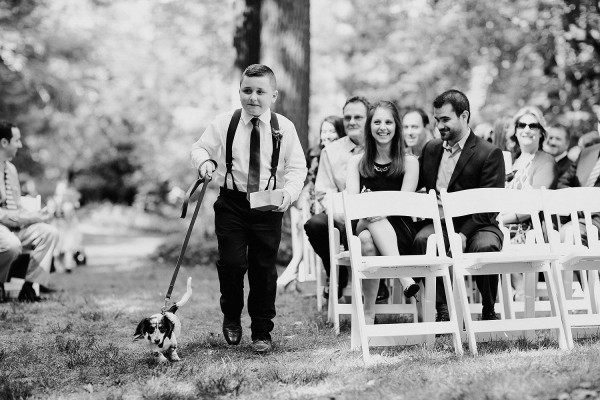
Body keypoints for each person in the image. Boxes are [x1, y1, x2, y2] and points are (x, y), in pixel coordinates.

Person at [190, 64, 307, 353]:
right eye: (247, 90)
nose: (253, 97)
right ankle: (231, 314)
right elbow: (200, 148)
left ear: (274, 95)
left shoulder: (284, 128)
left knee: (263, 268)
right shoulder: (225, 123)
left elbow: (297, 167)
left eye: (260, 91)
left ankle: (262, 331)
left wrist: (289, 194)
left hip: (268, 204)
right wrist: (205, 163)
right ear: (239, 91)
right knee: (231, 263)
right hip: (232, 202)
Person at [413, 90, 505, 321]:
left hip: (478, 224)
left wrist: (463, 234)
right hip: (441, 224)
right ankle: (443, 308)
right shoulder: (431, 149)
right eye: (437, 120)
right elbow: (415, 184)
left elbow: (490, 205)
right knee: (423, 241)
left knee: (486, 247)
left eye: (445, 119)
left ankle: (488, 308)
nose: (439, 125)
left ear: (464, 116)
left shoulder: (489, 153)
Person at [303, 96, 388, 303]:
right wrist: (340, 214)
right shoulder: (331, 152)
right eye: (347, 117)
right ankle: (336, 272)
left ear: (369, 119)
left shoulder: (383, 146)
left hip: (378, 217)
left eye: (358, 117)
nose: (351, 122)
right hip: (341, 214)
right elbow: (324, 193)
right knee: (315, 224)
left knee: (369, 225)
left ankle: (377, 279)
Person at [346, 101, 420, 322]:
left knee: (368, 239)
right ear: (369, 126)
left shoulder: (410, 162)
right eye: (377, 122)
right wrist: (372, 210)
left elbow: (403, 203)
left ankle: (368, 310)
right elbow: (353, 203)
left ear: (396, 126)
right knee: (366, 230)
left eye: (388, 122)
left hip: (399, 230)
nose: (383, 127)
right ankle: (404, 277)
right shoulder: (356, 162)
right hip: (362, 221)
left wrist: (382, 211)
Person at [0, 121, 58, 303]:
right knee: (12, 245)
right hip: (3, 226)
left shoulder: (11, 169)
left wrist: (38, 214)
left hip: (15, 224)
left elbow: (16, 205)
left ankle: (29, 288)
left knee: (49, 232)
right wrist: (29, 218)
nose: (20, 144)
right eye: (16, 140)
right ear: (4, 143)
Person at [502, 106, 556, 299]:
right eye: (521, 125)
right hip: (504, 220)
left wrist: (502, 219)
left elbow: (534, 204)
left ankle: (521, 292)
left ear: (541, 132)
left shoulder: (546, 161)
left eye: (533, 125)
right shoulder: (511, 161)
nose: (527, 129)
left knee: (498, 233)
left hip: (530, 225)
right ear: (515, 131)